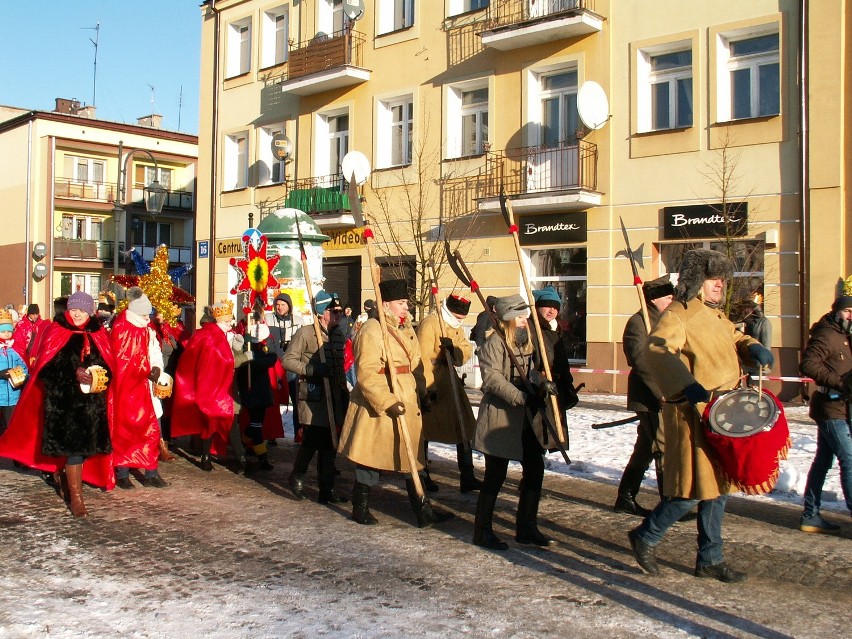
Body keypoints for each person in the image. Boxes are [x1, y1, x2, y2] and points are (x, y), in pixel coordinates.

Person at [628, 249, 773, 583]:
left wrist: (750, 345)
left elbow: (733, 335)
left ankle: (710, 558)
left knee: (718, 487)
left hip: (723, 413)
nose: (719, 285)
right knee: (694, 489)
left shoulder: (715, 314)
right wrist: (686, 385)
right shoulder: (679, 314)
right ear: (697, 280)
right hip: (695, 415)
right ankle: (646, 536)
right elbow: (656, 350)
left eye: (723, 279)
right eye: (713, 279)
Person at [338, 279, 453, 528]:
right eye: (401, 303)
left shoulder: (406, 328)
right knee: (370, 457)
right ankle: (360, 507)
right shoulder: (371, 329)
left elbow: (416, 367)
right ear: (386, 304)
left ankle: (424, 511)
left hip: (407, 396)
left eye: (406, 303)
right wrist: (386, 400)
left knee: (413, 457)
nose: (405, 307)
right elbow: (366, 372)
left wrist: (424, 394)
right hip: (379, 402)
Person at [0, 291, 115, 517]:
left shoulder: (98, 333)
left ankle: (63, 476)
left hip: (91, 405)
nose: (78, 314)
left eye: (82, 310)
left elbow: (109, 367)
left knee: (83, 451)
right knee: (73, 450)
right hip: (64, 404)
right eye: (74, 310)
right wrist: (74, 372)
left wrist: (98, 374)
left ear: (90, 311)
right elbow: (45, 369)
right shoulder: (56, 331)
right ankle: (77, 500)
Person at [472, 294, 556, 550]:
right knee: (495, 476)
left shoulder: (525, 339)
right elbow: (493, 379)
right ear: (508, 318)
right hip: (500, 415)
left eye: (525, 316)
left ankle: (526, 526)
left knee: (535, 469)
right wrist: (520, 396)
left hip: (525, 417)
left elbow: (529, 369)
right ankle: (482, 530)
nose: (524, 320)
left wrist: (542, 382)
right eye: (520, 317)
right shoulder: (495, 343)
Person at [613, 275, 674, 516]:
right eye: (668, 297)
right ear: (655, 298)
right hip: (651, 397)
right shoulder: (639, 322)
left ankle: (625, 497)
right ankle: (669, 504)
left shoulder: (667, 321)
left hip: (670, 393)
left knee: (646, 448)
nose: (672, 301)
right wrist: (661, 392)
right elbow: (641, 361)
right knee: (663, 446)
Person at [282, 291, 349, 503]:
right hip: (314, 395)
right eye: (333, 311)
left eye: (339, 311)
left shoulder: (338, 334)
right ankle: (297, 475)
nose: (338, 314)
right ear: (322, 313)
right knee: (313, 439)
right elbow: (288, 361)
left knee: (330, 443)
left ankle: (326, 489)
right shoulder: (306, 333)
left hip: (335, 394)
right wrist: (312, 369)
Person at [797, 291, 852, 533]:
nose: (851, 316)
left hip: (844, 407)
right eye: (848, 311)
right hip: (830, 408)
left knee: (822, 462)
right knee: (850, 461)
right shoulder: (827, 334)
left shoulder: (846, 334)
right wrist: (840, 383)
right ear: (837, 311)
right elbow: (808, 363)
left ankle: (810, 514)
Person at [416, 293, 482, 493]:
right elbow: (421, 360)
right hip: (434, 384)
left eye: (462, 319)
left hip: (451, 384)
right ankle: (422, 474)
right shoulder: (430, 324)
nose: (460, 322)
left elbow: (465, 349)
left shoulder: (453, 325)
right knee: (425, 431)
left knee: (464, 429)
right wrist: (427, 388)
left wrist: (453, 349)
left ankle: (467, 475)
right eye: (458, 317)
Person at [110, 288, 168, 489]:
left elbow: (155, 353)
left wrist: (156, 369)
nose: (147, 318)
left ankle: (151, 471)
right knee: (125, 430)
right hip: (126, 390)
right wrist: (138, 372)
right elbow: (120, 360)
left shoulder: (148, 330)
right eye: (144, 315)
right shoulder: (121, 328)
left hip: (145, 389)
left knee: (150, 431)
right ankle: (122, 472)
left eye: (148, 314)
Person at [171, 299, 236, 471]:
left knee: (208, 419)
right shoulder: (213, 335)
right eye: (228, 320)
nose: (231, 323)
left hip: (204, 383)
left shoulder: (205, 334)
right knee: (214, 418)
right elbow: (224, 360)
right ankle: (208, 455)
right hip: (212, 386)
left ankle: (205, 453)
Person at [530, 286, 578, 440]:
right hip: (538, 390)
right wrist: (541, 377)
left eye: (555, 307)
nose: (551, 310)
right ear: (537, 308)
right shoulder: (532, 329)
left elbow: (562, 364)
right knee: (536, 437)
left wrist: (568, 387)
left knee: (550, 435)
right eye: (547, 306)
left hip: (555, 389)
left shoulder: (556, 330)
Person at [235, 307, 278, 472]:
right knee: (256, 424)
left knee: (257, 423)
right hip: (250, 388)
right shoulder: (245, 342)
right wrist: (247, 354)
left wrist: (256, 359)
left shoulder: (265, 343)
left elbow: (272, 359)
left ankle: (245, 442)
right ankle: (262, 457)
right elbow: (241, 362)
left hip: (261, 389)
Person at [267, 292, 303, 439]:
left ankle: (298, 434)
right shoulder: (268, 319)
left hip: (292, 366)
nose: (279, 307)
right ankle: (271, 434)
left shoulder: (298, 321)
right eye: (277, 304)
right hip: (274, 365)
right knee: (272, 401)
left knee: (296, 401)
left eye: (283, 305)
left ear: (289, 306)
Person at [0, 308, 28, 434]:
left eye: (9, 331)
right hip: (0, 394)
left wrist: (22, 375)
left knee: (11, 427)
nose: (6, 334)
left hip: (13, 395)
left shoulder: (14, 349)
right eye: (3, 331)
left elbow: (23, 366)